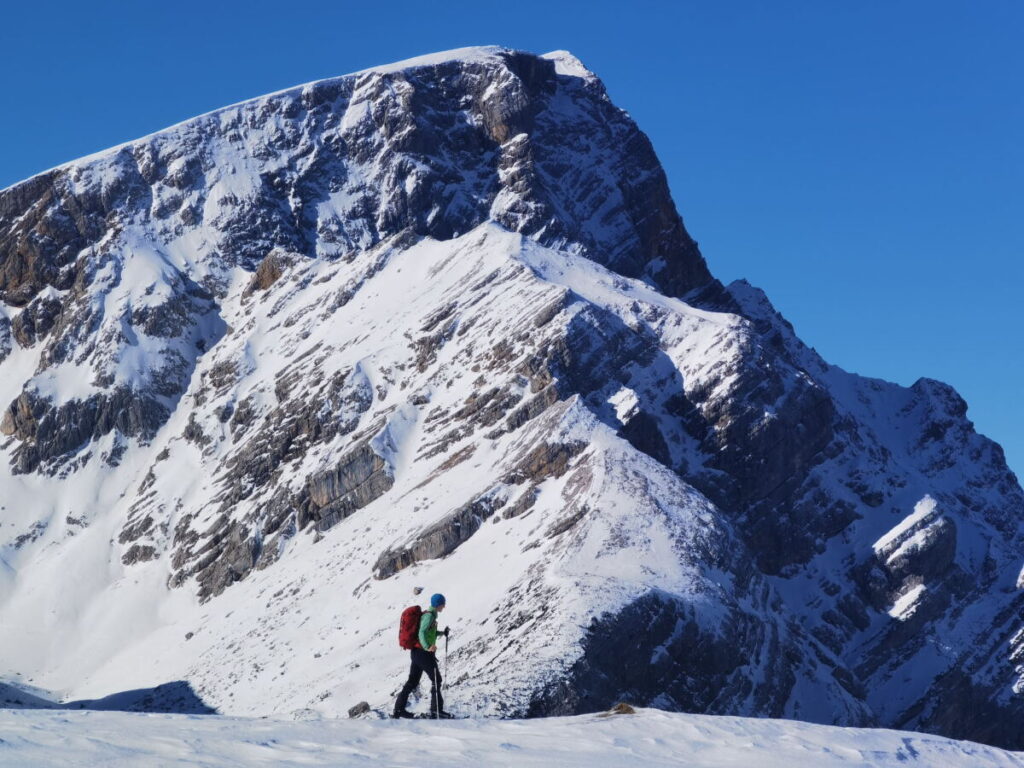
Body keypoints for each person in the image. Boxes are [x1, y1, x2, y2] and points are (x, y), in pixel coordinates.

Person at [393, 593, 452, 719]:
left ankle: (399, 710)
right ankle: (436, 710)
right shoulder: (429, 617)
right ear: (438, 604)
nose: (444, 606)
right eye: (443, 604)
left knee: (412, 681)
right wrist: (427, 647)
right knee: (437, 679)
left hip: (416, 653)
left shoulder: (429, 615)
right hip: (422, 653)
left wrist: (442, 633)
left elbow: (429, 632)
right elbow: (422, 632)